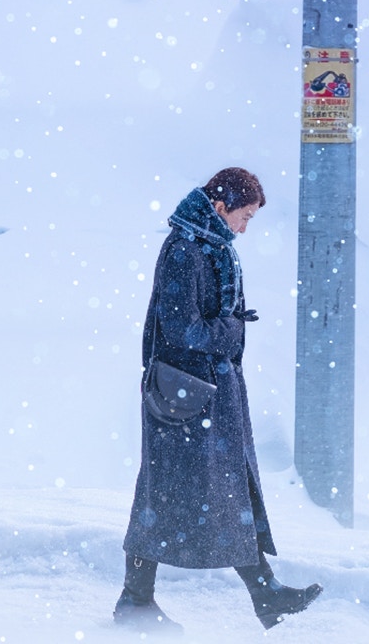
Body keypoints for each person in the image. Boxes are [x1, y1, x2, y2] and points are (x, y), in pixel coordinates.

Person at [115, 168, 322, 634]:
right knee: (170, 495)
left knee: (203, 494)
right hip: (185, 398)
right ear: (221, 206)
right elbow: (180, 328)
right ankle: (137, 600)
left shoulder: (208, 245)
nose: (244, 229)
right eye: (244, 217)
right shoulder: (186, 250)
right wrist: (230, 330)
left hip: (203, 394)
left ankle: (259, 594)